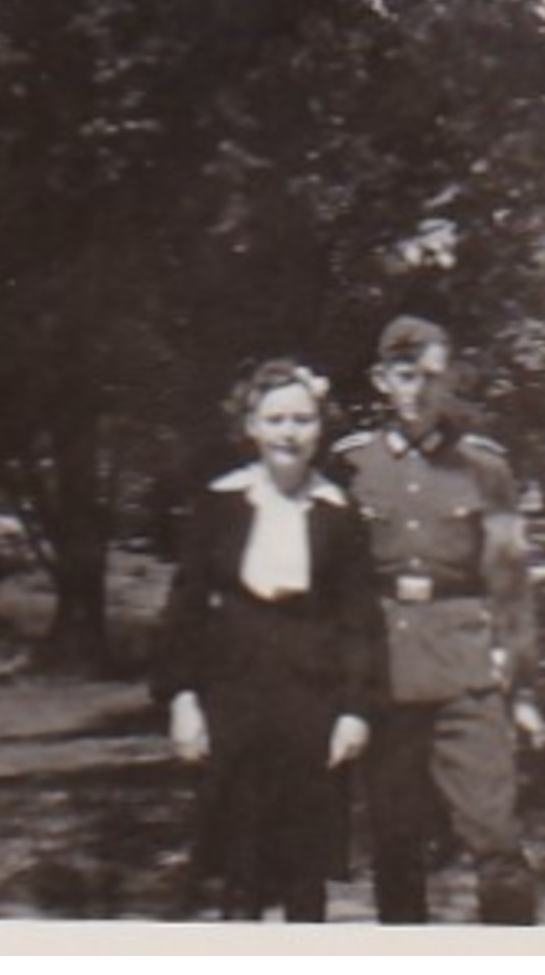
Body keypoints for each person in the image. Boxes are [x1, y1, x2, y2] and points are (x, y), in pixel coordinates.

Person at [152, 359, 384, 922]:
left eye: (302, 419)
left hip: (312, 692)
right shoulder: (219, 504)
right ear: (251, 425)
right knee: (241, 865)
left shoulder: (338, 513)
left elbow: (360, 621)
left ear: (319, 429)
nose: (289, 432)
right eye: (275, 418)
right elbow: (184, 610)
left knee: (307, 869)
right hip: (236, 688)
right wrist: (183, 700)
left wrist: (355, 711)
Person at [331, 315, 543, 925]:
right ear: (380, 380)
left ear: (451, 378)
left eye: (432, 374)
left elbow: (510, 580)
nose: (419, 388)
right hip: (385, 672)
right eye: (405, 374)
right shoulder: (350, 466)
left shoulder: (485, 467)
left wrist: (522, 684)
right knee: (396, 845)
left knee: (496, 839)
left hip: (466, 669)